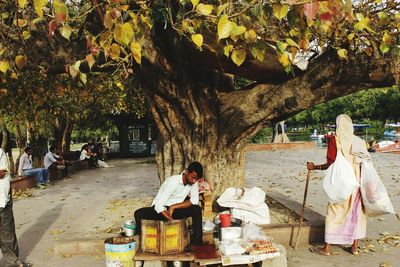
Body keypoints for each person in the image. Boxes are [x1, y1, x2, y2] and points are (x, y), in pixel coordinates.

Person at [307, 114, 370, 256]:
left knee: (334, 212)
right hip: (357, 184)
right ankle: (354, 247)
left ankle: (327, 248)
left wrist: (314, 167)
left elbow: (330, 164)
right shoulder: (359, 141)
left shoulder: (334, 141)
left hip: (342, 184)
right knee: (356, 213)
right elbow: (365, 164)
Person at [134, 162, 204, 245]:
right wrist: (171, 220)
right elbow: (158, 206)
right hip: (161, 211)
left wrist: (173, 207)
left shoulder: (193, 182)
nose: (194, 181)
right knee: (138, 213)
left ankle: (197, 242)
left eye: (196, 179)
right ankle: (146, 242)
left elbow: (194, 201)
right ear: (186, 172)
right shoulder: (173, 181)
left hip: (175, 210)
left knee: (196, 209)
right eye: (192, 177)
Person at [0, 144, 32, 266]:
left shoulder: (1, 153)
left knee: (7, 232)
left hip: (3, 198)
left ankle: (13, 261)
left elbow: (2, 173)